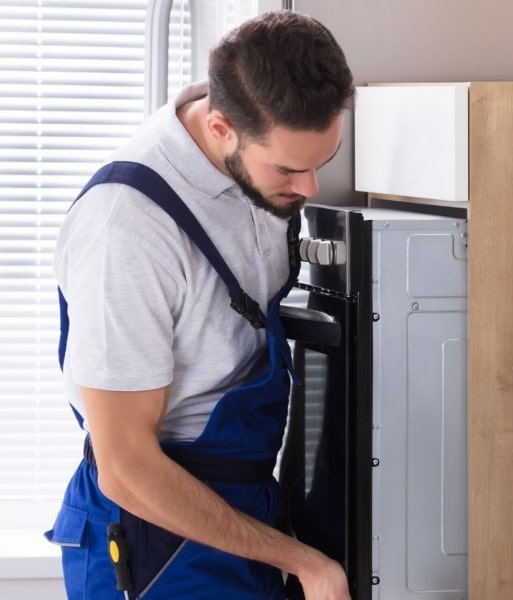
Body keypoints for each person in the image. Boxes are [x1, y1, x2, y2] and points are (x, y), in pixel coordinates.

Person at [45, 10, 354, 600]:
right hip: (155, 540)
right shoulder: (128, 231)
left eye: (323, 161)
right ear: (219, 128)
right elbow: (126, 468)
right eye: (290, 169)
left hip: (242, 515)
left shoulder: (254, 165)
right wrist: (305, 562)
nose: (311, 188)